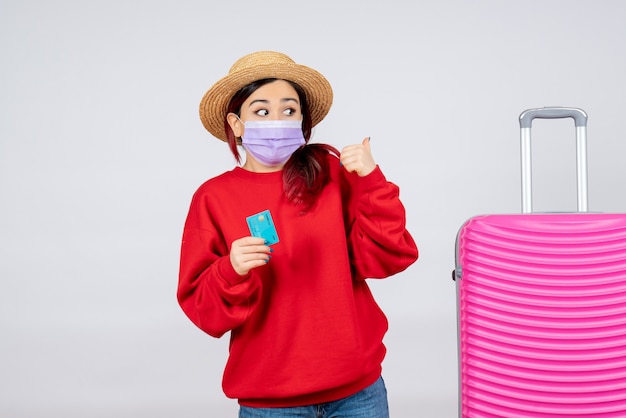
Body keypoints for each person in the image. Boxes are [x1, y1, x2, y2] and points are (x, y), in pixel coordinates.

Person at [177, 50, 418, 417]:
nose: (277, 120)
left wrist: (372, 181)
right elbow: (204, 311)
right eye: (261, 111)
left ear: (303, 120)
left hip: (358, 393)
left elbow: (389, 256)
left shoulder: (331, 174)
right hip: (270, 402)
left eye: (289, 110)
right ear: (236, 123)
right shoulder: (213, 197)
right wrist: (231, 269)